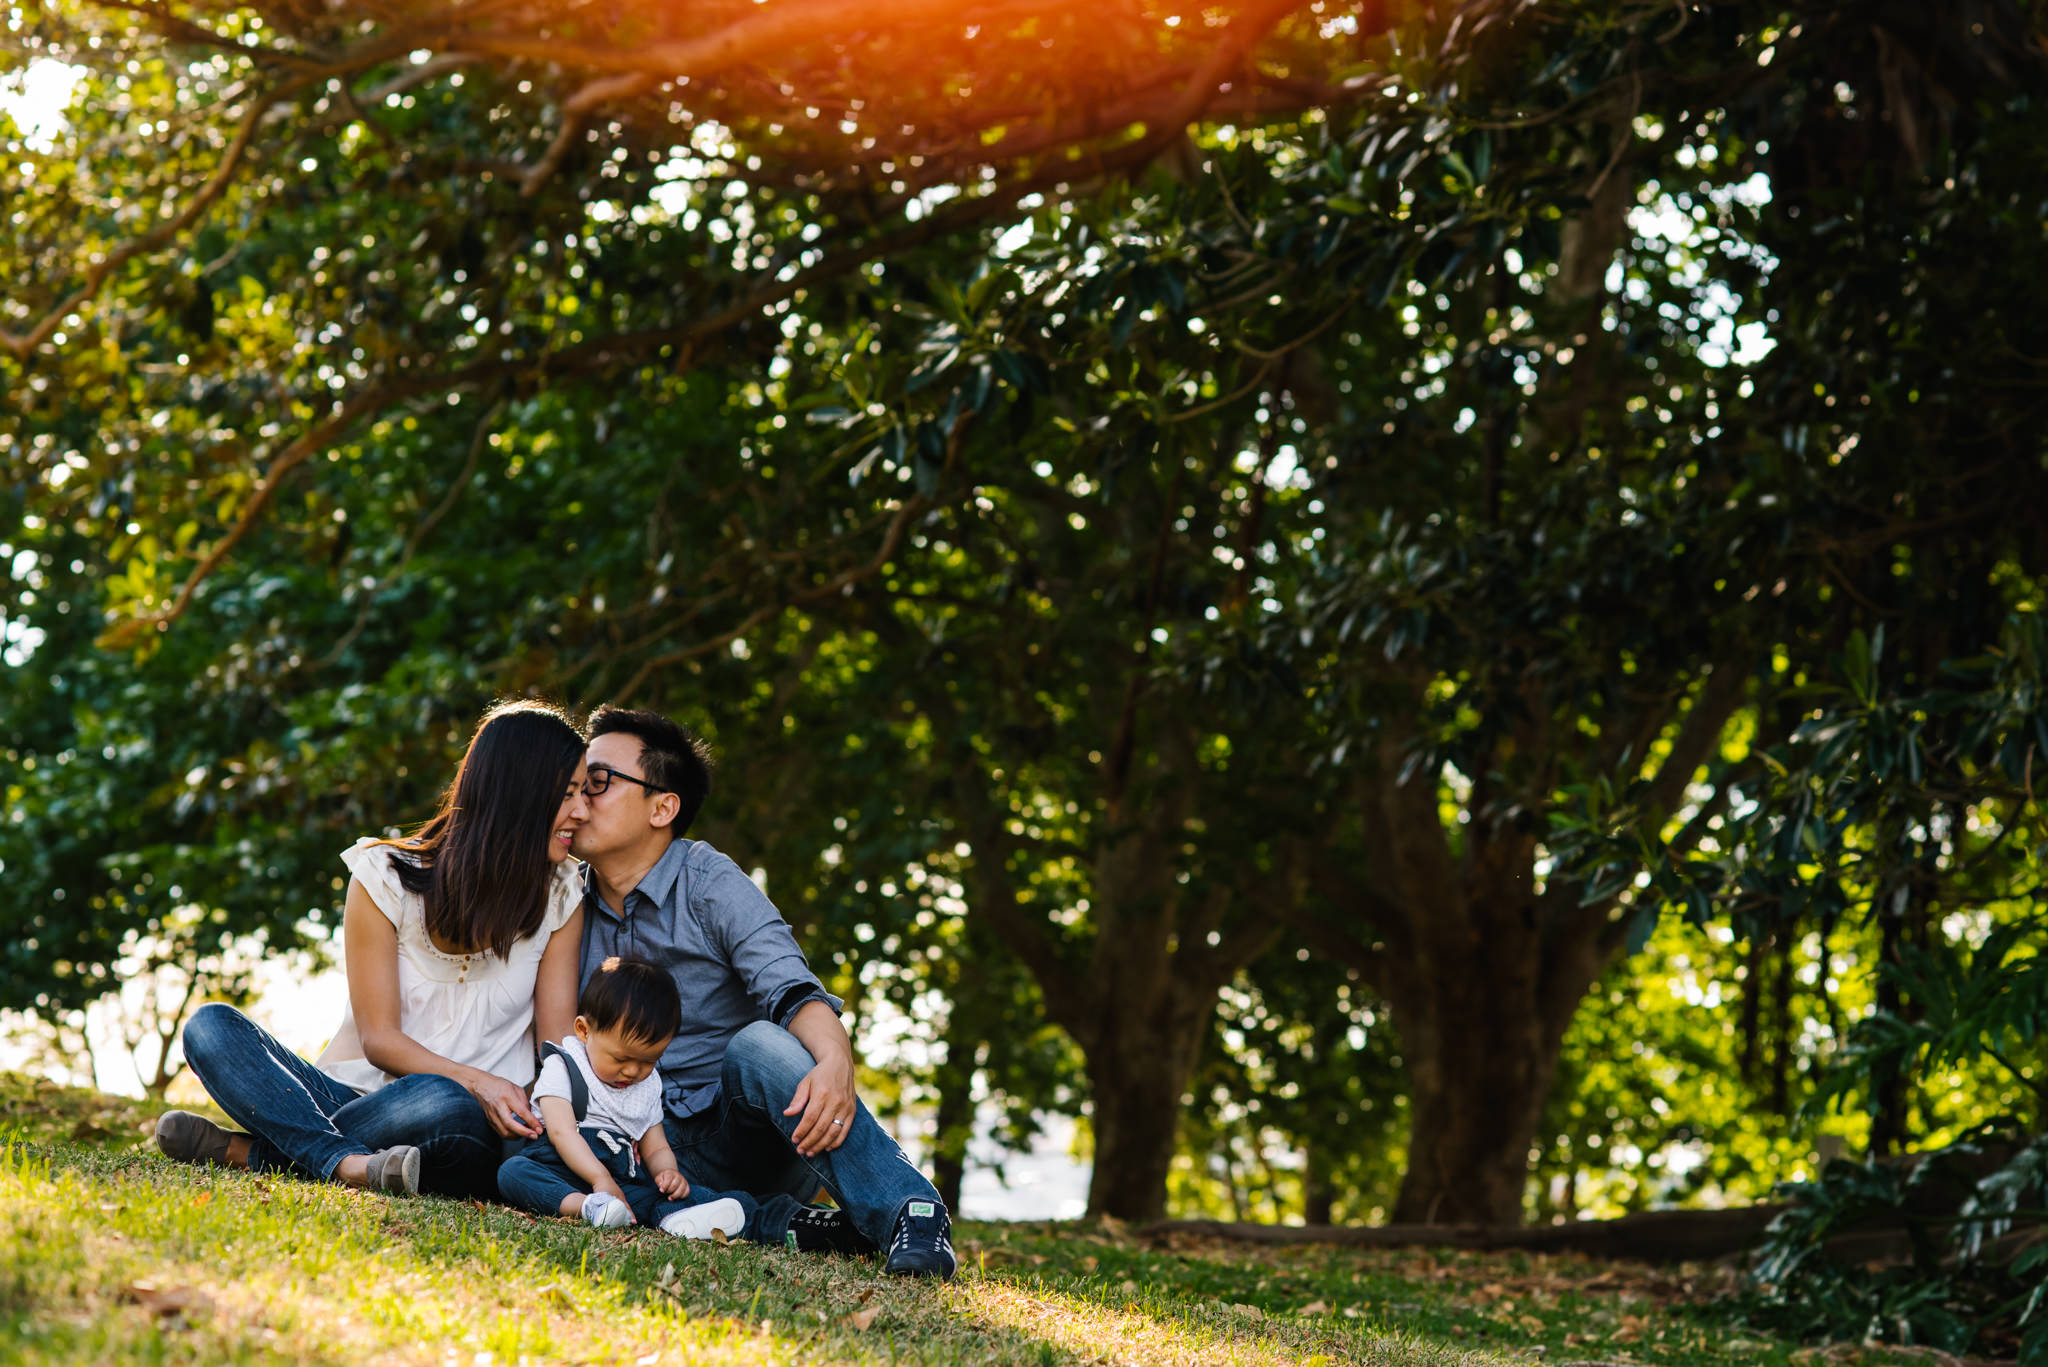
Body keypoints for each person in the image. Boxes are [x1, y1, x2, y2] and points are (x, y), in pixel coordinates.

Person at [555, 705, 956, 1277]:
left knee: (761, 1044)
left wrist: (836, 1058)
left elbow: (791, 989)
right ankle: (784, 1225)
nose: (580, 800)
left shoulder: (707, 880)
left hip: (742, 1131)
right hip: (636, 1152)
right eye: (574, 785)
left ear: (663, 806)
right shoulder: (565, 900)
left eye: (598, 782)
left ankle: (913, 1213)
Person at [154, 699, 592, 1199]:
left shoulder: (561, 895)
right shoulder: (382, 877)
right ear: (518, 794)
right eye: (567, 794)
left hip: (465, 1123)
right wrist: (480, 1080)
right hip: (355, 1099)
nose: (581, 811)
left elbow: (556, 1051)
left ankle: (253, 1154)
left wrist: (519, 1103)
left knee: (441, 1100)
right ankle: (347, 1165)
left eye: (583, 793)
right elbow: (380, 1040)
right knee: (210, 1026)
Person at [497, 954, 746, 1239]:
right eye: (621, 1058)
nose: (632, 1071)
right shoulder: (564, 1065)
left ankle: (678, 1217)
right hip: (557, 1169)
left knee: (662, 1196)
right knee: (514, 1172)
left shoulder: (647, 1085)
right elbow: (561, 1132)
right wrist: (599, 1180)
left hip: (620, 1183)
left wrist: (668, 1172)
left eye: (648, 1061)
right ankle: (588, 1208)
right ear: (584, 1031)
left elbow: (655, 1147)